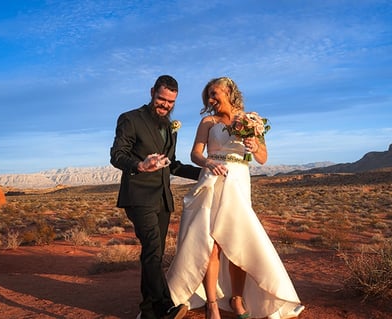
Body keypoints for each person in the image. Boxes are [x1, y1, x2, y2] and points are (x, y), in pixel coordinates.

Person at [167, 77, 304, 319]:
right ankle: (211, 303)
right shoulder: (207, 122)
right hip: (213, 181)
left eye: (214, 93)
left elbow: (263, 158)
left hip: (239, 182)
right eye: (208, 95)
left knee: (237, 240)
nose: (210, 99)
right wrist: (209, 162)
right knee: (212, 245)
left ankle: (237, 298)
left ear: (229, 91)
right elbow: (195, 154)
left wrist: (254, 145)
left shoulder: (250, 120)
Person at [110, 75, 201, 319]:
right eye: (162, 99)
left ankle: (148, 311)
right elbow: (117, 155)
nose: (165, 105)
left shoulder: (170, 128)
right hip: (138, 196)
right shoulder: (130, 119)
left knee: (155, 254)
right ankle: (165, 308)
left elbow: (172, 165)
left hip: (162, 199)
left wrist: (204, 173)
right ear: (152, 92)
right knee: (152, 248)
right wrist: (141, 164)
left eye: (171, 102)